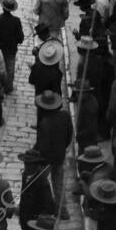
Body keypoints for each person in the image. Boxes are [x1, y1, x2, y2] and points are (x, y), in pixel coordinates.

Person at [34, 90, 73, 220]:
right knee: (58, 184)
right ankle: (63, 211)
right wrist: (62, 148)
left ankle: (43, 207)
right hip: (60, 155)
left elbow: (43, 148)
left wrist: (38, 157)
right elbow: (69, 136)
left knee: (39, 182)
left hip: (47, 160)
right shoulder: (65, 116)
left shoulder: (45, 124)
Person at [0, 0, 24, 94]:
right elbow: (20, 37)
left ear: (2, 7)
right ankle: (8, 88)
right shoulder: (16, 21)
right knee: (10, 69)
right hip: (11, 49)